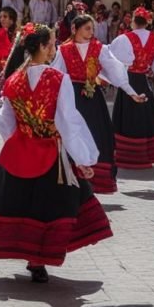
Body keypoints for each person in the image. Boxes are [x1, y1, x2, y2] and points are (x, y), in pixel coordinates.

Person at [0, 23, 113, 283]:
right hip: (51, 154)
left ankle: (32, 257)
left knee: (23, 206)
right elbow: (68, 121)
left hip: (18, 152)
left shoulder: (13, 80)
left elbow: (5, 119)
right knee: (50, 207)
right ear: (41, 47)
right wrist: (85, 157)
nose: (54, 48)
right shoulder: (57, 79)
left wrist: (18, 140)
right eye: (51, 44)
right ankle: (38, 260)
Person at [51, 15, 147, 194]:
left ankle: (94, 180)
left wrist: (131, 92)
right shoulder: (63, 50)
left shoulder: (99, 49)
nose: (91, 32)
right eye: (87, 28)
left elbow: (115, 71)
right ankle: (71, 178)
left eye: (92, 29)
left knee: (98, 135)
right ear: (74, 29)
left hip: (92, 99)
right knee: (71, 134)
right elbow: (55, 74)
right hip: (71, 97)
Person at [109, 8, 154, 169]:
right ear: (147, 22)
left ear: (133, 20)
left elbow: (111, 60)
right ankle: (147, 154)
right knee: (145, 116)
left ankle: (126, 156)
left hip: (127, 81)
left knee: (126, 117)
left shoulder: (124, 38)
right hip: (143, 82)